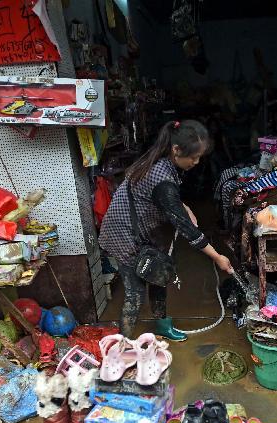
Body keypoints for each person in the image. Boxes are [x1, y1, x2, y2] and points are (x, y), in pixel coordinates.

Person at [99, 120, 234, 341]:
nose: (197, 162)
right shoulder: (160, 177)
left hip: (145, 229)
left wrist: (184, 206)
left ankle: (162, 324)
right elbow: (187, 229)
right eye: (193, 157)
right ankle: (121, 345)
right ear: (176, 150)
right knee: (135, 293)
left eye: (200, 157)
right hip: (124, 234)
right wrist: (217, 257)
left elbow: (167, 199)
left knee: (159, 274)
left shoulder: (163, 160)